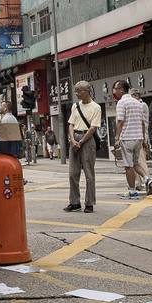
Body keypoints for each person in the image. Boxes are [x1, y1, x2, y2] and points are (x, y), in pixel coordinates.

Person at [64, 81, 101, 213]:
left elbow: (93, 128)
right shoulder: (75, 106)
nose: (76, 93)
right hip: (75, 139)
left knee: (89, 174)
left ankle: (89, 203)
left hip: (88, 140)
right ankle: (74, 202)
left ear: (86, 91)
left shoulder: (96, 107)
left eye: (79, 90)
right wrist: (73, 140)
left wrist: (81, 142)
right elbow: (70, 124)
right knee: (73, 174)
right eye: (76, 90)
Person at [114, 79, 152, 198]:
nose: (114, 91)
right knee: (136, 163)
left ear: (122, 89)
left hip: (127, 138)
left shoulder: (121, 103)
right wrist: (143, 139)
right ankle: (147, 179)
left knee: (128, 166)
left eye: (116, 88)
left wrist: (117, 138)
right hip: (138, 138)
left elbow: (120, 121)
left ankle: (132, 191)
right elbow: (143, 123)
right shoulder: (138, 103)